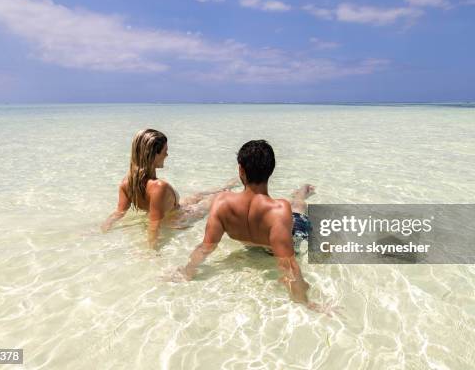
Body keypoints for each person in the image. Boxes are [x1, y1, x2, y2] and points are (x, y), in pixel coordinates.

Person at [172, 140, 320, 309]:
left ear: (240, 170)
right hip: (277, 240)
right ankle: (300, 194)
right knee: (298, 208)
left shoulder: (221, 202)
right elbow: (287, 263)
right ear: (271, 171)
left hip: (250, 244)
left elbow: (206, 247)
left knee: (298, 207)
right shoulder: (279, 209)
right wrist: (305, 302)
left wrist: (187, 272)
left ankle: (301, 193)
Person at [101, 128, 237, 249]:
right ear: (153, 154)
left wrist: (105, 227)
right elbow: (154, 223)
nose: (167, 155)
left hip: (175, 208)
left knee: (198, 195)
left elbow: (119, 213)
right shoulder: (158, 187)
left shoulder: (127, 183)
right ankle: (230, 187)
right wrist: (152, 250)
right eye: (165, 151)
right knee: (220, 197)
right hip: (181, 218)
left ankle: (228, 185)